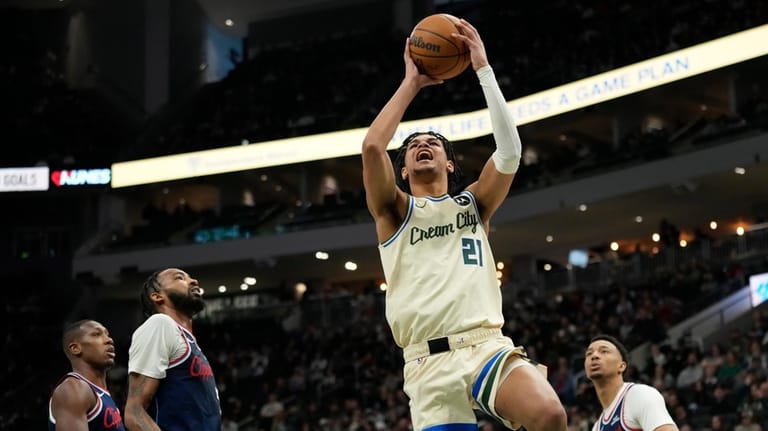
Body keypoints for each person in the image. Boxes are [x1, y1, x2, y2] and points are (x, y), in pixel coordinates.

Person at [361, 17, 567, 431]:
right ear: (402, 171)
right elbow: (371, 146)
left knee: (550, 415)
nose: (422, 145)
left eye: (433, 143)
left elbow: (509, 152)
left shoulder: (473, 204)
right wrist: (412, 84)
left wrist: (483, 69)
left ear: (449, 163)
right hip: (426, 364)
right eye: (414, 145)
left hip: (484, 346)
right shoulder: (394, 211)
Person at [124, 268, 221, 431]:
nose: (193, 281)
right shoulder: (160, 324)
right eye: (180, 278)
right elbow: (134, 413)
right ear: (157, 296)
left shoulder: (188, 340)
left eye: (190, 277)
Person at [584, 334, 678, 431]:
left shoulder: (639, 395)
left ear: (621, 366)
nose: (594, 356)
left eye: (604, 351)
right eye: (589, 353)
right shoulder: (597, 428)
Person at [48, 319, 125, 430]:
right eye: (97, 334)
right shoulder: (73, 389)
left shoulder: (100, 393)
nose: (109, 340)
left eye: (108, 335)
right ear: (75, 348)